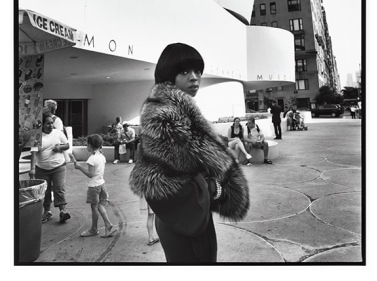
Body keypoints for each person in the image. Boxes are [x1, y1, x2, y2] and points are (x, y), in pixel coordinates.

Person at [129, 43, 249, 263]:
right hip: (182, 219)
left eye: (198, 71)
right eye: (185, 72)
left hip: (183, 217)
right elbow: (156, 177)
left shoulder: (172, 110)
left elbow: (182, 158)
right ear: (168, 76)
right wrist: (214, 189)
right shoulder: (166, 116)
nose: (195, 78)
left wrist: (219, 146)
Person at [70, 134, 117, 238]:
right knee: (99, 206)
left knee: (94, 207)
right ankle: (108, 224)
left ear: (90, 146)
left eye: (87, 144)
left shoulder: (92, 159)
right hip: (101, 184)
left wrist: (79, 167)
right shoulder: (102, 156)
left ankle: (94, 229)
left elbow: (90, 174)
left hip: (94, 186)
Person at [29, 113, 71, 223]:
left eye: (52, 123)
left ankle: (63, 211)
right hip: (42, 168)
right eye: (48, 123)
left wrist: (59, 147)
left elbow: (67, 145)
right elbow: (33, 153)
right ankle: (47, 211)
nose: (51, 125)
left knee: (59, 188)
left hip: (59, 166)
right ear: (42, 125)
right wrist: (32, 169)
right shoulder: (37, 136)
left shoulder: (58, 133)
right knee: (45, 191)